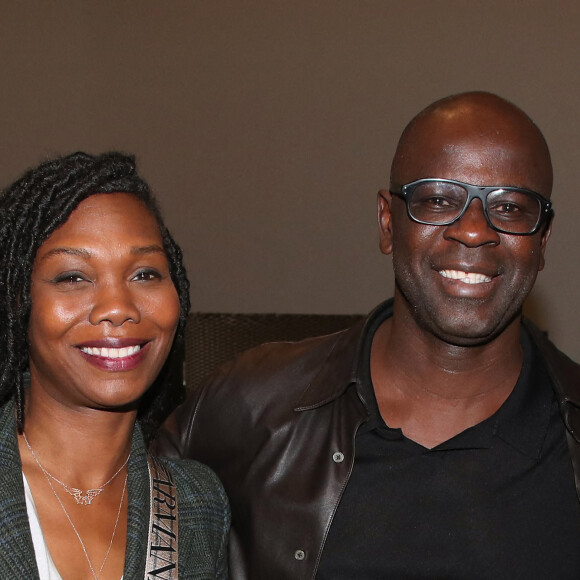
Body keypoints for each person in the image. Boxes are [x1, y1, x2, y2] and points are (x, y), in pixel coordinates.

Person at [154, 92, 580, 579]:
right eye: (438, 199)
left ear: (542, 242)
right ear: (387, 222)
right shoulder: (248, 406)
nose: (474, 231)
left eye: (511, 208)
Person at [0, 152, 229, 579]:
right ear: (19, 300)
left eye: (145, 274)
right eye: (73, 277)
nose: (119, 308)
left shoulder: (197, 504)